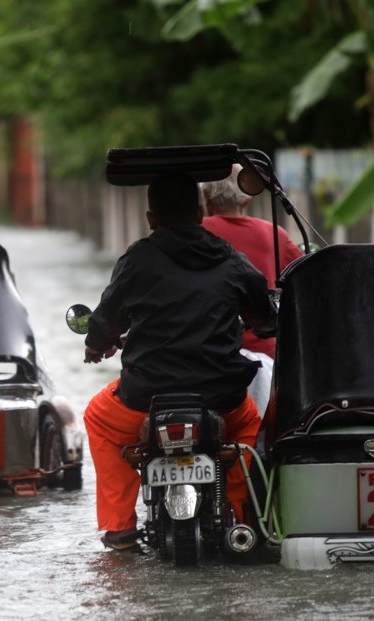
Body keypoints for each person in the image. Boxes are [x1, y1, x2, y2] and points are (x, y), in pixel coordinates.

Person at [82, 173, 278, 551]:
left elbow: (106, 319)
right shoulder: (229, 258)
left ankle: (120, 528)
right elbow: (266, 317)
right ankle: (240, 515)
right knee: (248, 426)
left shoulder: (137, 259)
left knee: (98, 418)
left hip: (145, 400)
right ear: (201, 212)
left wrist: (97, 346)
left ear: (151, 218)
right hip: (221, 398)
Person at [201, 164, 305, 417]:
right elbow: (306, 276)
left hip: (202, 353)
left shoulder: (194, 233)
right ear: (246, 200)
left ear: (206, 199)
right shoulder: (273, 234)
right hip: (264, 356)